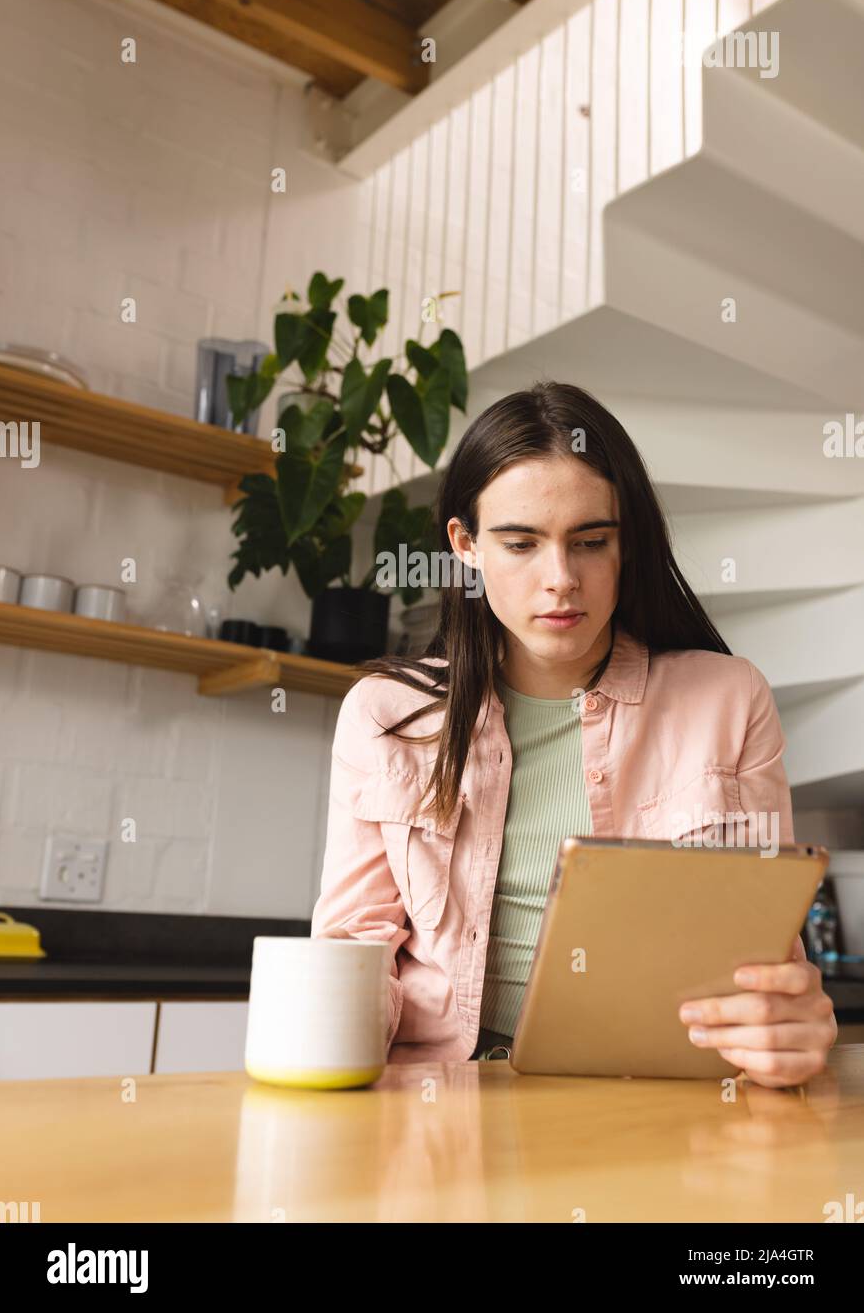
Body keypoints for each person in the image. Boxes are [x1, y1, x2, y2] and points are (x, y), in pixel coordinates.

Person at [311, 381, 837, 1086]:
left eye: (590, 542)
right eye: (520, 543)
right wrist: (325, 1040)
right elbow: (352, 952)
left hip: (652, 1093)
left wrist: (786, 1026)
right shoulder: (383, 714)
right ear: (465, 545)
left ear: (627, 547)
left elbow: (760, 955)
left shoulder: (727, 697)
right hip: (443, 1097)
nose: (560, 579)